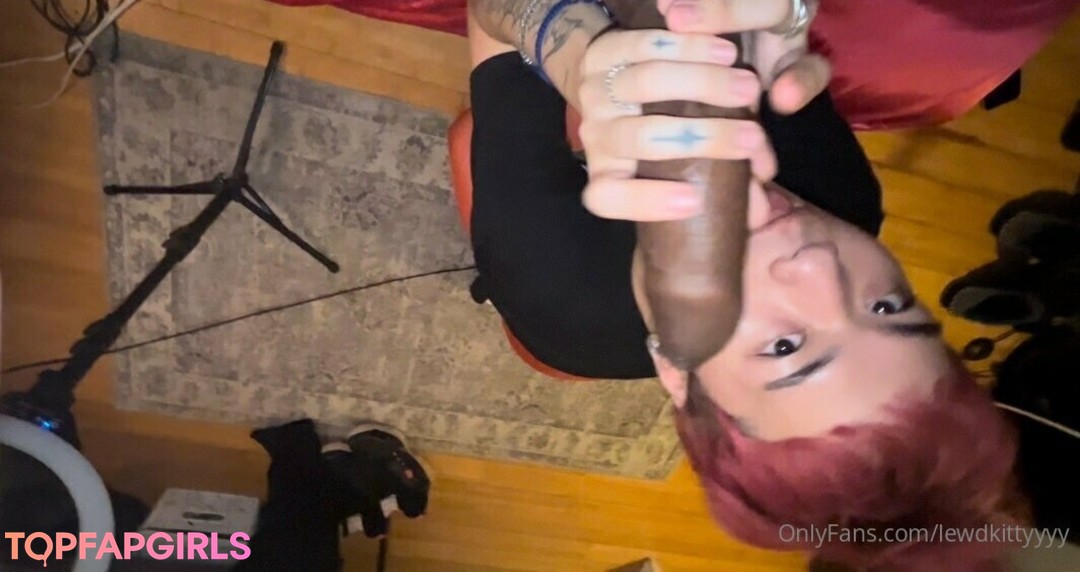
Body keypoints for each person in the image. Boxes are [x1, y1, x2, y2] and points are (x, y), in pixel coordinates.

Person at [465, 0, 1024, 569]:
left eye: (785, 347)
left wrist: (557, 32)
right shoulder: (843, 195)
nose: (818, 264)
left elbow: (489, 16)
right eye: (888, 307)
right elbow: (757, 35)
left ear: (676, 373)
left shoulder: (554, 290)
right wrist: (782, 18)